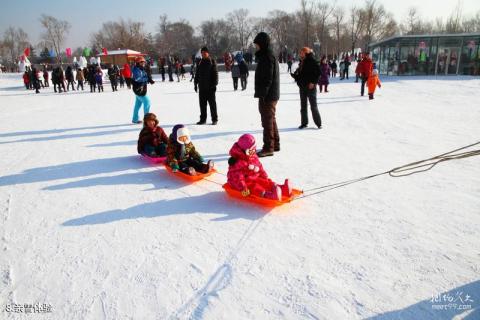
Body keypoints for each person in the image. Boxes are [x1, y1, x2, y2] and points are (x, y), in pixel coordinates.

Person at [227, 134, 292, 200]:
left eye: (254, 149)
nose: (253, 152)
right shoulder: (237, 162)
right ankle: (268, 195)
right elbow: (237, 178)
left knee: (265, 182)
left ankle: (283, 189)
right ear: (242, 151)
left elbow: (259, 166)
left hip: (254, 178)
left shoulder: (253, 156)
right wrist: (243, 188)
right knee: (254, 187)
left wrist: (264, 175)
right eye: (250, 151)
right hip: (241, 185)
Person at [253, 32, 280, 157]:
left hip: (268, 94)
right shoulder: (266, 55)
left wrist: (263, 93)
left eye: (257, 45)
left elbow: (268, 77)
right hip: (270, 93)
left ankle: (269, 147)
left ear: (262, 44)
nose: (256, 47)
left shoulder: (267, 57)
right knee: (271, 119)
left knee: (267, 120)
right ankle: (276, 144)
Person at [291, 47, 322, 130]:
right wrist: (296, 76)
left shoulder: (312, 61)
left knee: (313, 106)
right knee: (303, 106)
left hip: (310, 87)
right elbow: (301, 75)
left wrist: (313, 82)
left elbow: (318, 73)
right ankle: (304, 123)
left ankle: (319, 123)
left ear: (306, 53)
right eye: (300, 53)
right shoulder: (302, 62)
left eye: (302, 52)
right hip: (302, 87)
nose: (300, 54)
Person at [194, 47, 218, 125]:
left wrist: (214, 84)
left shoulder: (212, 61)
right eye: (202, 53)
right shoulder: (200, 62)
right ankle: (203, 119)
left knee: (212, 105)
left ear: (208, 53)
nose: (203, 54)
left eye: (205, 53)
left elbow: (215, 74)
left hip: (210, 88)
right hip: (202, 88)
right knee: (202, 105)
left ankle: (214, 119)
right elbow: (197, 74)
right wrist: (195, 83)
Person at [131, 56, 154, 124]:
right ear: (138, 63)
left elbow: (144, 76)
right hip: (139, 89)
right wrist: (147, 79)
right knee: (147, 102)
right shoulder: (136, 70)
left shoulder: (141, 69)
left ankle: (135, 119)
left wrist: (149, 79)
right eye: (141, 62)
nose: (143, 63)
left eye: (144, 62)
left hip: (140, 88)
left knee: (138, 104)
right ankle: (147, 120)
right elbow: (138, 79)